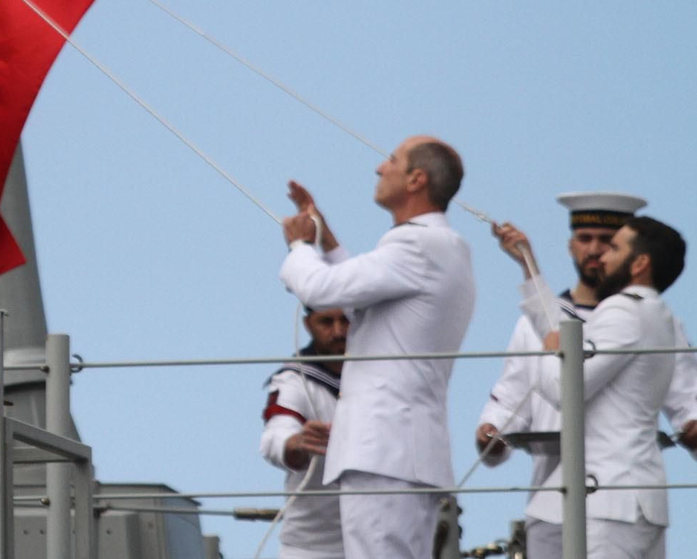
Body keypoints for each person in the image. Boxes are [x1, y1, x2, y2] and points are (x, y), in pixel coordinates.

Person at [278, 135, 476, 559]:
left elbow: (321, 288)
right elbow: (358, 290)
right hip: (401, 452)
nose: (379, 167)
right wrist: (326, 240)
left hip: (385, 453)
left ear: (416, 179)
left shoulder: (416, 243)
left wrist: (300, 245)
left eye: (391, 160)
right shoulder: (440, 245)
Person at [476, 195, 697, 559]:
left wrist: (550, 350)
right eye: (587, 240)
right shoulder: (660, 315)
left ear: (639, 262)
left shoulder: (623, 311)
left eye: (612, 246)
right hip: (633, 501)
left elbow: (566, 391)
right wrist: (529, 269)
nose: (601, 256)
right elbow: (558, 329)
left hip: (609, 503)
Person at [261, 306, 349, 558]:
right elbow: (277, 432)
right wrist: (295, 444)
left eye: (346, 320)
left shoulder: (385, 373)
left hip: (385, 538)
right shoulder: (294, 380)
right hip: (314, 547)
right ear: (308, 324)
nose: (338, 331)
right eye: (326, 322)